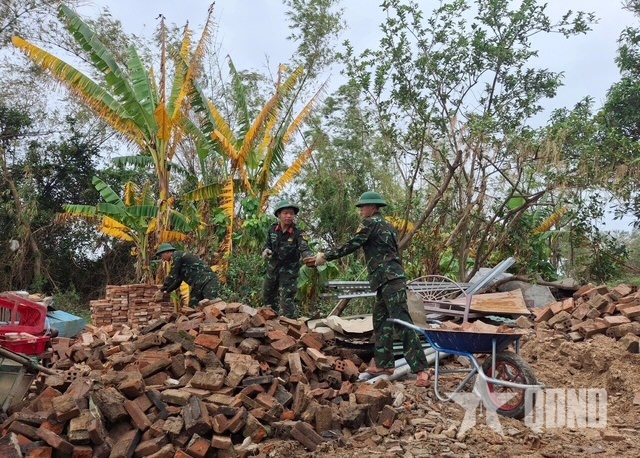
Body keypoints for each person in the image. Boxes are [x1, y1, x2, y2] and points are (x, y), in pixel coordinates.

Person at [304, 191, 430, 387]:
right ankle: (384, 364)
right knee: (381, 321)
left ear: (373, 207)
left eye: (363, 207)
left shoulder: (370, 223)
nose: (361, 210)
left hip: (389, 280)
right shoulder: (387, 225)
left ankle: (422, 370)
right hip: (386, 280)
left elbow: (352, 245)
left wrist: (324, 257)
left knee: (402, 323)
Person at [262, 199, 313, 319]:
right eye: (285, 213)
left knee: (286, 300)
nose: (289, 216)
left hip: (289, 271)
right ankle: (271, 323)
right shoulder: (272, 229)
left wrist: (308, 258)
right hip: (273, 268)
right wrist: (266, 251)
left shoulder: (298, 232)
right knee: (267, 296)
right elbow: (267, 245)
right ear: (279, 215)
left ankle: (292, 325)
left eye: (291, 213)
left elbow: (304, 248)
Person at [154, 243, 219, 307]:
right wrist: (166, 291)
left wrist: (161, 290)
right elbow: (178, 280)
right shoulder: (179, 262)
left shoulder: (177, 255)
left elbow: (172, 276)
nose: (162, 259)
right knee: (193, 306)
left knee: (210, 304)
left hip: (207, 281)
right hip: (197, 285)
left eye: (161, 256)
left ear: (167, 252)